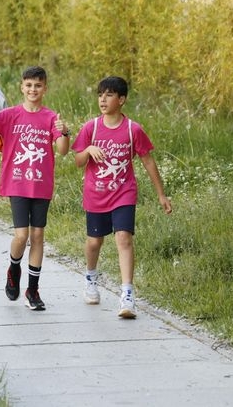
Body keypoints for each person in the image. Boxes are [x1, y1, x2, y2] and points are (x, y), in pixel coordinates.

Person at [71, 76, 173, 318]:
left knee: (124, 238)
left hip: (123, 192)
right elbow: (77, 161)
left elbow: (148, 161)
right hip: (96, 194)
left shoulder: (132, 129)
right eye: (100, 95)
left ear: (122, 99)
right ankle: (91, 277)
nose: (103, 100)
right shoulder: (91, 128)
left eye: (109, 95)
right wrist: (88, 150)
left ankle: (127, 295)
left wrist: (161, 194)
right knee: (94, 242)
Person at [0, 66, 70, 311]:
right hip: (17, 182)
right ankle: (14, 268)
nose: (33, 90)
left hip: (41, 184)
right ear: (22, 87)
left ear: (45, 89)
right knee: (21, 236)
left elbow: (62, 150)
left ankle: (32, 290)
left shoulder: (51, 117)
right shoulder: (10, 115)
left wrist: (64, 132)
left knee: (37, 236)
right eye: (29, 85)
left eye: (38, 86)